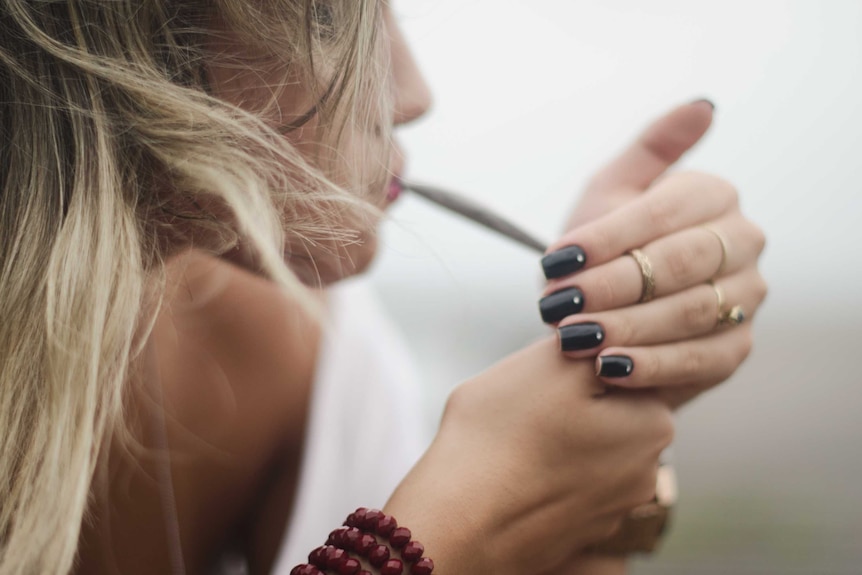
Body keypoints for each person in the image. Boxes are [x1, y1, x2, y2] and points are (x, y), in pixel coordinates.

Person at [0, 2, 766, 575]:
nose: (414, 92)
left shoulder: (299, 343)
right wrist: (452, 533)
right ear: (125, 36)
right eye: (333, 14)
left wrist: (594, 443)